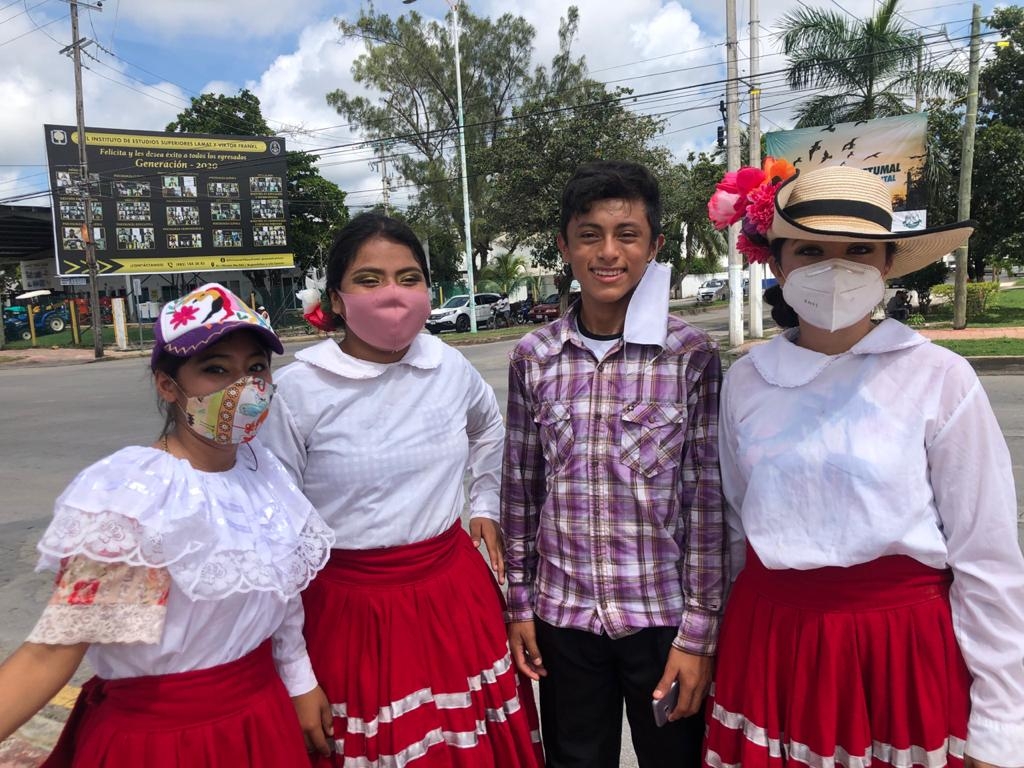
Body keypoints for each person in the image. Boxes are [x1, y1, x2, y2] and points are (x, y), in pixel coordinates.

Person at [704, 163, 1024, 768]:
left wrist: (1002, 723)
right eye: (810, 249)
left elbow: (986, 557)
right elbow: (736, 528)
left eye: (858, 250)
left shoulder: (937, 377)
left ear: (886, 264)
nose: (835, 269)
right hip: (772, 641)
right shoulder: (746, 380)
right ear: (777, 263)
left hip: (899, 647)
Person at [0, 283, 334, 767]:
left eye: (256, 368)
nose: (245, 388)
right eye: (216, 369)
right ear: (167, 384)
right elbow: (52, 652)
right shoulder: (143, 499)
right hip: (167, 741)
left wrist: (299, 681)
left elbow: (281, 600)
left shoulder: (263, 473)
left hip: (261, 719)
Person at [259, 212, 544, 767]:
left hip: (453, 594)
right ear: (337, 300)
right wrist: (294, 672)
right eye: (370, 280)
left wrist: (483, 502)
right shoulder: (297, 393)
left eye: (408, 278)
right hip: (349, 611)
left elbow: (489, 428)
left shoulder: (447, 366)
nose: (393, 295)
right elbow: (277, 542)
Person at [501, 160, 728, 767]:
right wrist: (519, 605)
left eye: (627, 235)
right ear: (564, 246)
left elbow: (705, 502)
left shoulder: (690, 356)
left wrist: (701, 631)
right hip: (564, 618)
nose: (608, 253)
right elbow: (521, 491)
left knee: (675, 758)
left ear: (654, 246)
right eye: (589, 235)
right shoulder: (535, 357)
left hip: (662, 620)